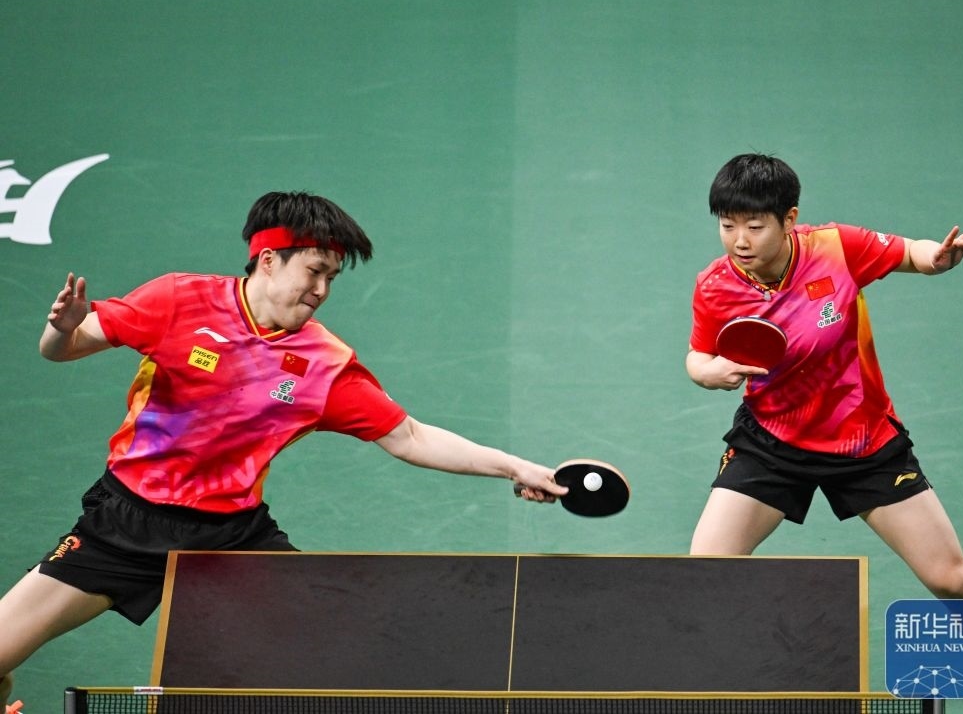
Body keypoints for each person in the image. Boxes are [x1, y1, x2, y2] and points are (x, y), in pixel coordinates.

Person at [0, 191, 567, 710]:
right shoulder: (179, 300)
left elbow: (410, 437)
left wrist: (515, 467)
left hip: (231, 540)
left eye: (332, 278)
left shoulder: (324, 364)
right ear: (268, 260)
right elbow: (62, 349)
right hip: (123, 526)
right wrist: (62, 329)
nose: (322, 291)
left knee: (329, 665)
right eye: (314, 271)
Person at [685, 153, 963, 697]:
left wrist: (938, 258)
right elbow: (698, 354)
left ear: (789, 219)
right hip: (771, 441)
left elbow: (911, 253)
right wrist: (708, 372)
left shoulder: (835, 248)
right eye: (727, 225)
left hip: (862, 441)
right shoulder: (715, 285)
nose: (739, 240)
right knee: (706, 570)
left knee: (951, 579)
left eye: (754, 226)